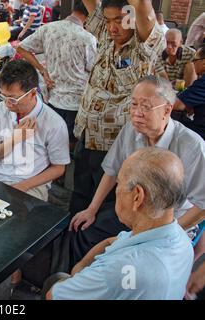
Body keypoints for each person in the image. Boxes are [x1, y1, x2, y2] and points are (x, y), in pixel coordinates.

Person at [69, 76, 205, 266]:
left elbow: (202, 206)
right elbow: (112, 170)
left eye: (146, 107)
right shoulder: (130, 131)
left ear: (167, 110)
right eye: (133, 105)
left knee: (137, 263)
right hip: (132, 211)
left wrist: (160, 233)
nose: (136, 113)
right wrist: (91, 209)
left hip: (170, 223)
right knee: (84, 233)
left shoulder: (192, 146)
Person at [45, 147, 194, 300]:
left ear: (137, 196)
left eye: (119, 183)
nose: (116, 189)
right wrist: (82, 267)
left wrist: (80, 273)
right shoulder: (182, 240)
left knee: (54, 281)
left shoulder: (121, 270)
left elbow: (53, 296)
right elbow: (113, 241)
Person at [69, 0, 164, 216]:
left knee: (107, 204)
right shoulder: (106, 36)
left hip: (113, 144)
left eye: (120, 20)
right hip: (86, 134)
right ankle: (72, 238)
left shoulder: (144, 47)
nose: (113, 27)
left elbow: (142, 7)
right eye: (109, 20)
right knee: (79, 194)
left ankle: (99, 245)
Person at [0, 60, 70, 202]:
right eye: (3, 95)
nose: (7, 103)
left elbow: (58, 168)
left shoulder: (54, 123)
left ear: (32, 93)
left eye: (13, 99)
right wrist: (15, 138)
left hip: (32, 185)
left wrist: (23, 186)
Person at [17, 0, 96, 148]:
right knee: (68, 145)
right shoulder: (87, 38)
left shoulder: (49, 28)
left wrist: (42, 69)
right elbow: (93, 68)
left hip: (52, 99)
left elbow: (21, 48)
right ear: (90, 16)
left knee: (52, 140)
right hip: (75, 103)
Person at [174, 45, 205, 140]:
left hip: (201, 132)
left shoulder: (203, 82)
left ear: (204, 62)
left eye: (194, 60)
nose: (193, 64)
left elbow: (177, 105)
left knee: (169, 115)